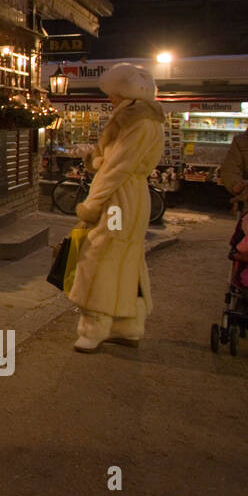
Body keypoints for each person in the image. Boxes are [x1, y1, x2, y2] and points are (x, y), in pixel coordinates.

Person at [68, 63, 166, 353]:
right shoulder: (147, 120)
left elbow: (117, 168)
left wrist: (91, 204)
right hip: (132, 197)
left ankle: (93, 329)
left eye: (114, 93)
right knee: (127, 261)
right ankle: (128, 326)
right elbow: (115, 163)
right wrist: (96, 160)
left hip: (118, 201)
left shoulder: (137, 122)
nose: (110, 98)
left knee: (99, 258)